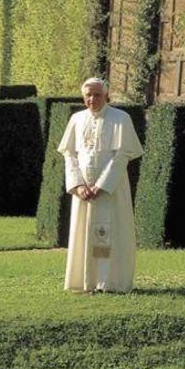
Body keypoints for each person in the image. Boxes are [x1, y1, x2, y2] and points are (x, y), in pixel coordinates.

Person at [57, 77, 144, 293]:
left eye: (96, 94)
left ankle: (110, 282)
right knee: (84, 234)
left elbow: (122, 155)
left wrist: (102, 185)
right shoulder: (77, 119)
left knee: (110, 233)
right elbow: (70, 154)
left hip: (111, 190)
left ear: (106, 95)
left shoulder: (121, 119)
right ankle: (86, 281)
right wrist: (78, 185)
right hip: (83, 192)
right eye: (88, 95)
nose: (92, 99)